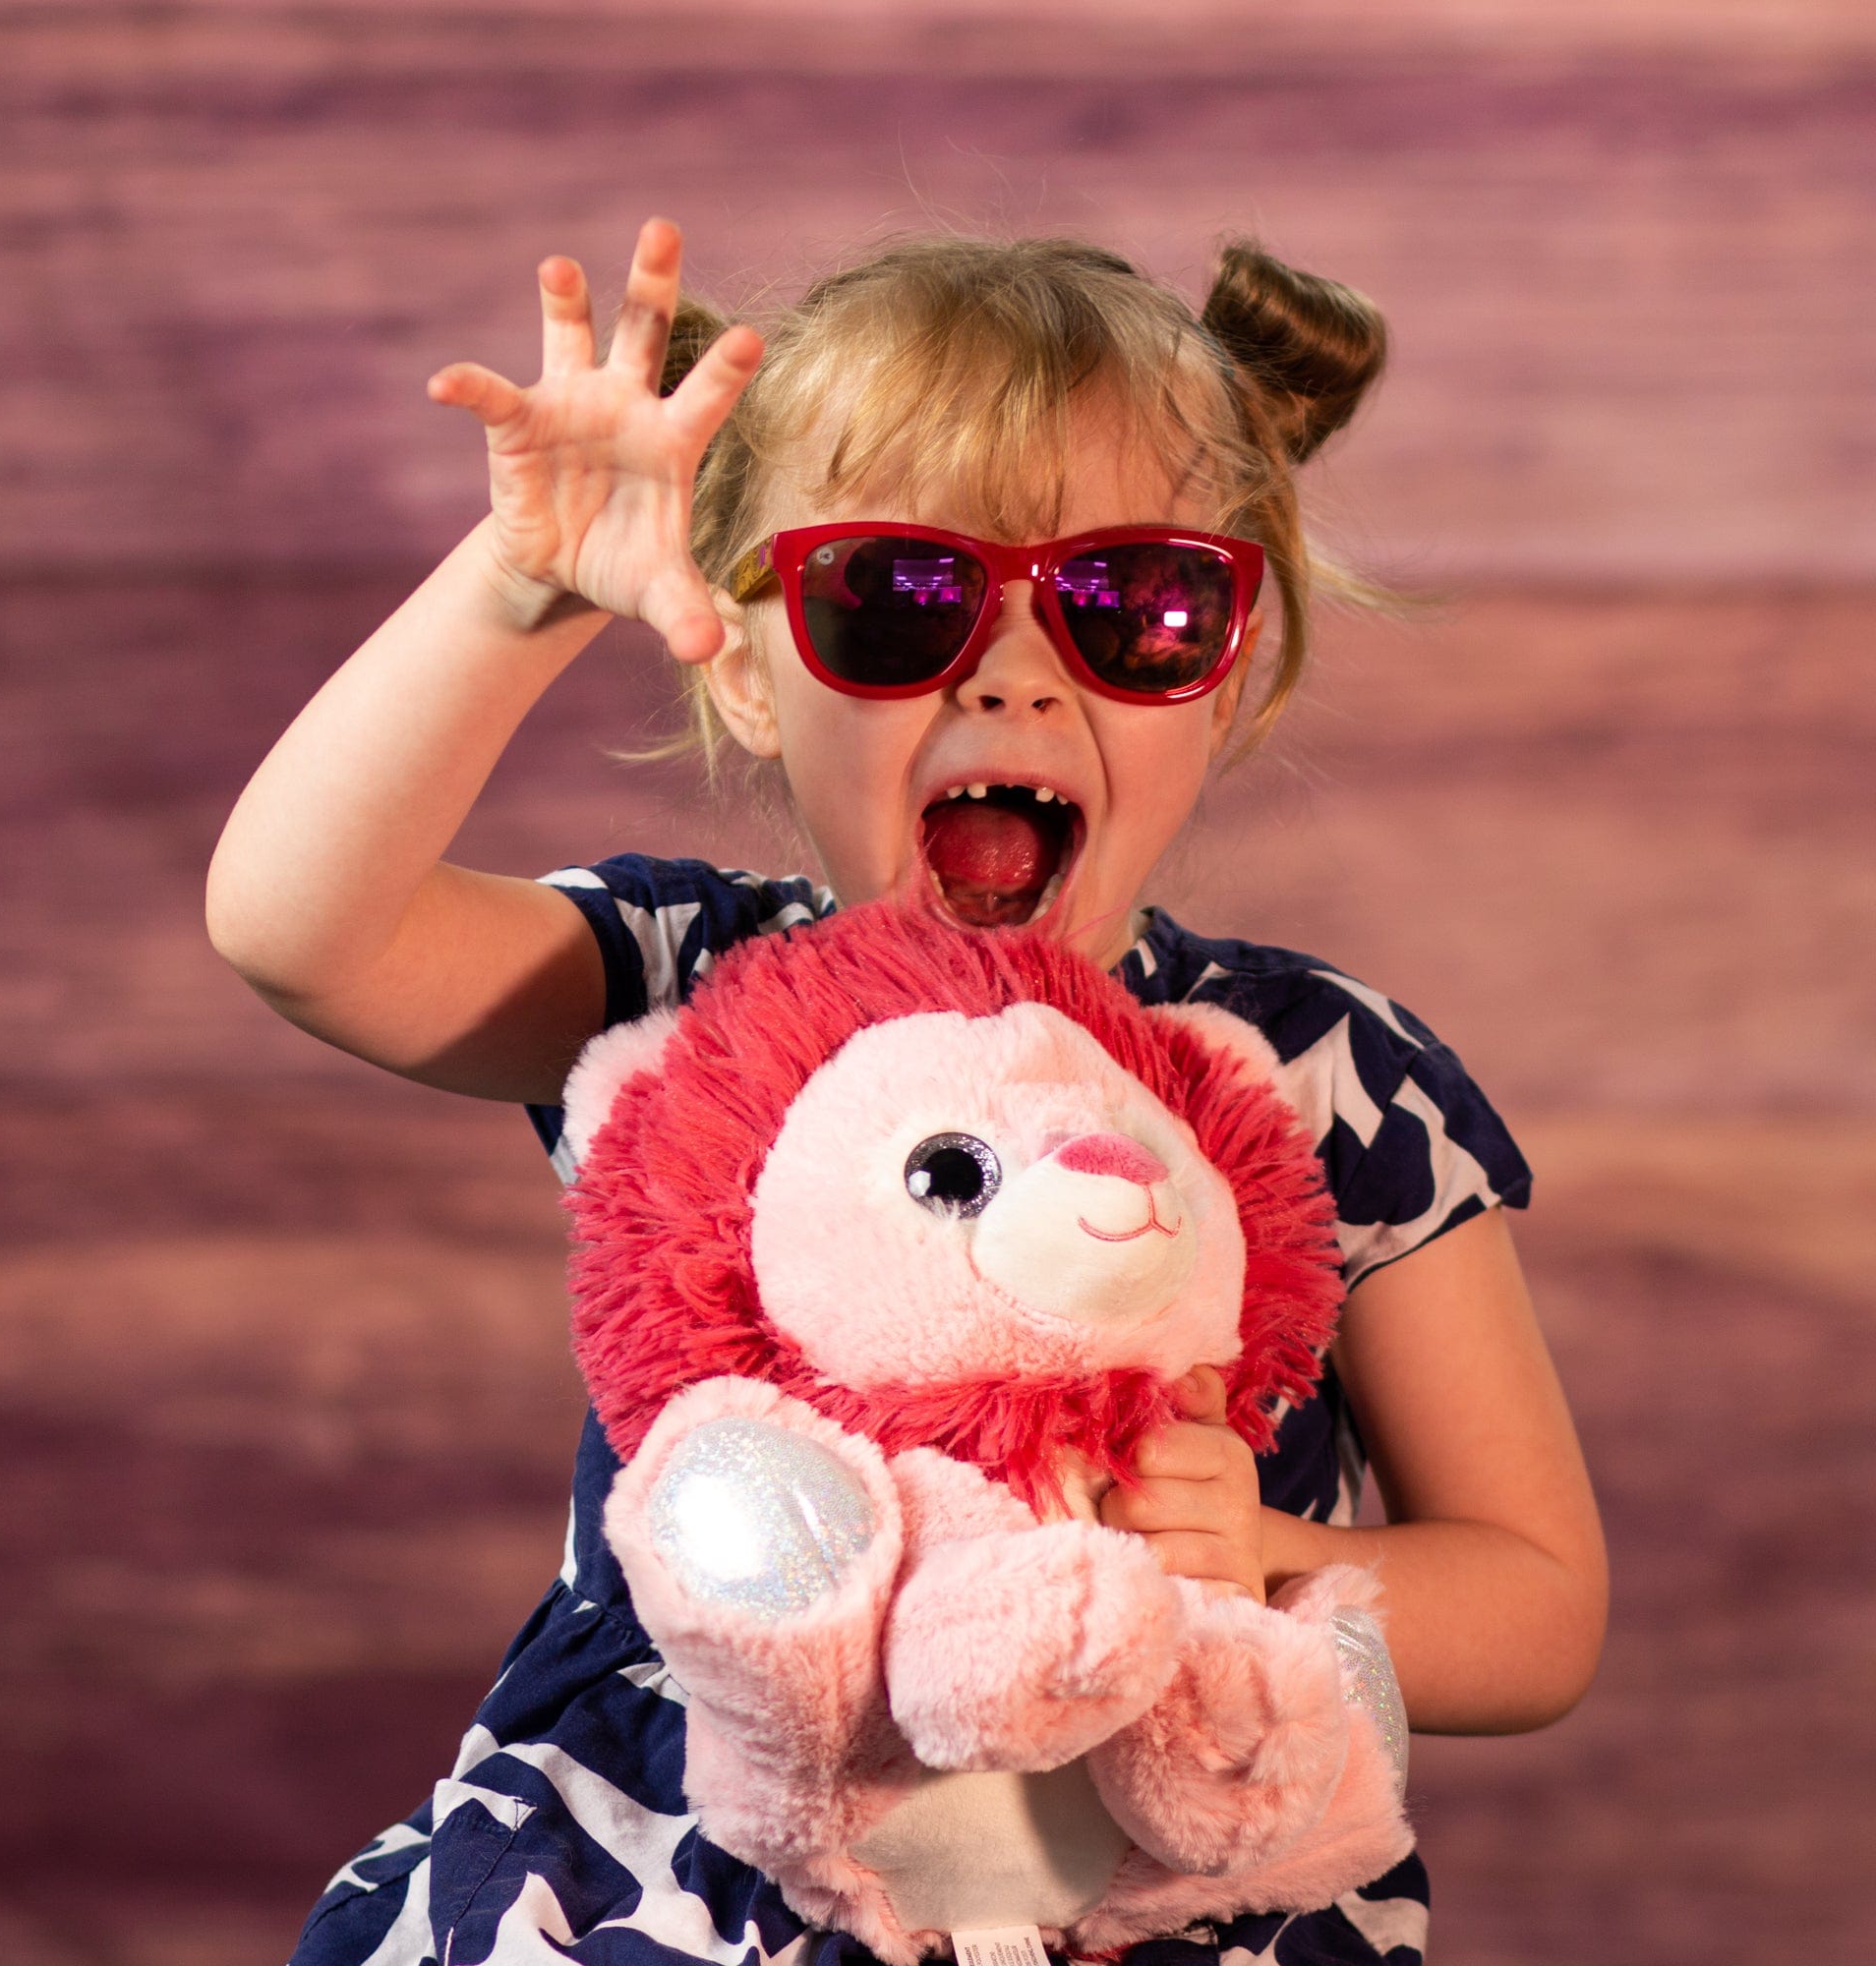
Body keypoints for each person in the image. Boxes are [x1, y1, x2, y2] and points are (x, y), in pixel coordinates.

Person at [207, 217, 1609, 1966]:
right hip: (675, 1882)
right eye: (893, 597)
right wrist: (520, 591)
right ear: (742, 655)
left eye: (1135, 607)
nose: (1015, 671)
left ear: (1231, 671)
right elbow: (298, 932)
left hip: (1160, 1892)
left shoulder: (1328, 1074)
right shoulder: (688, 980)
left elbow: (1540, 1605)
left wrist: (1258, 1551)